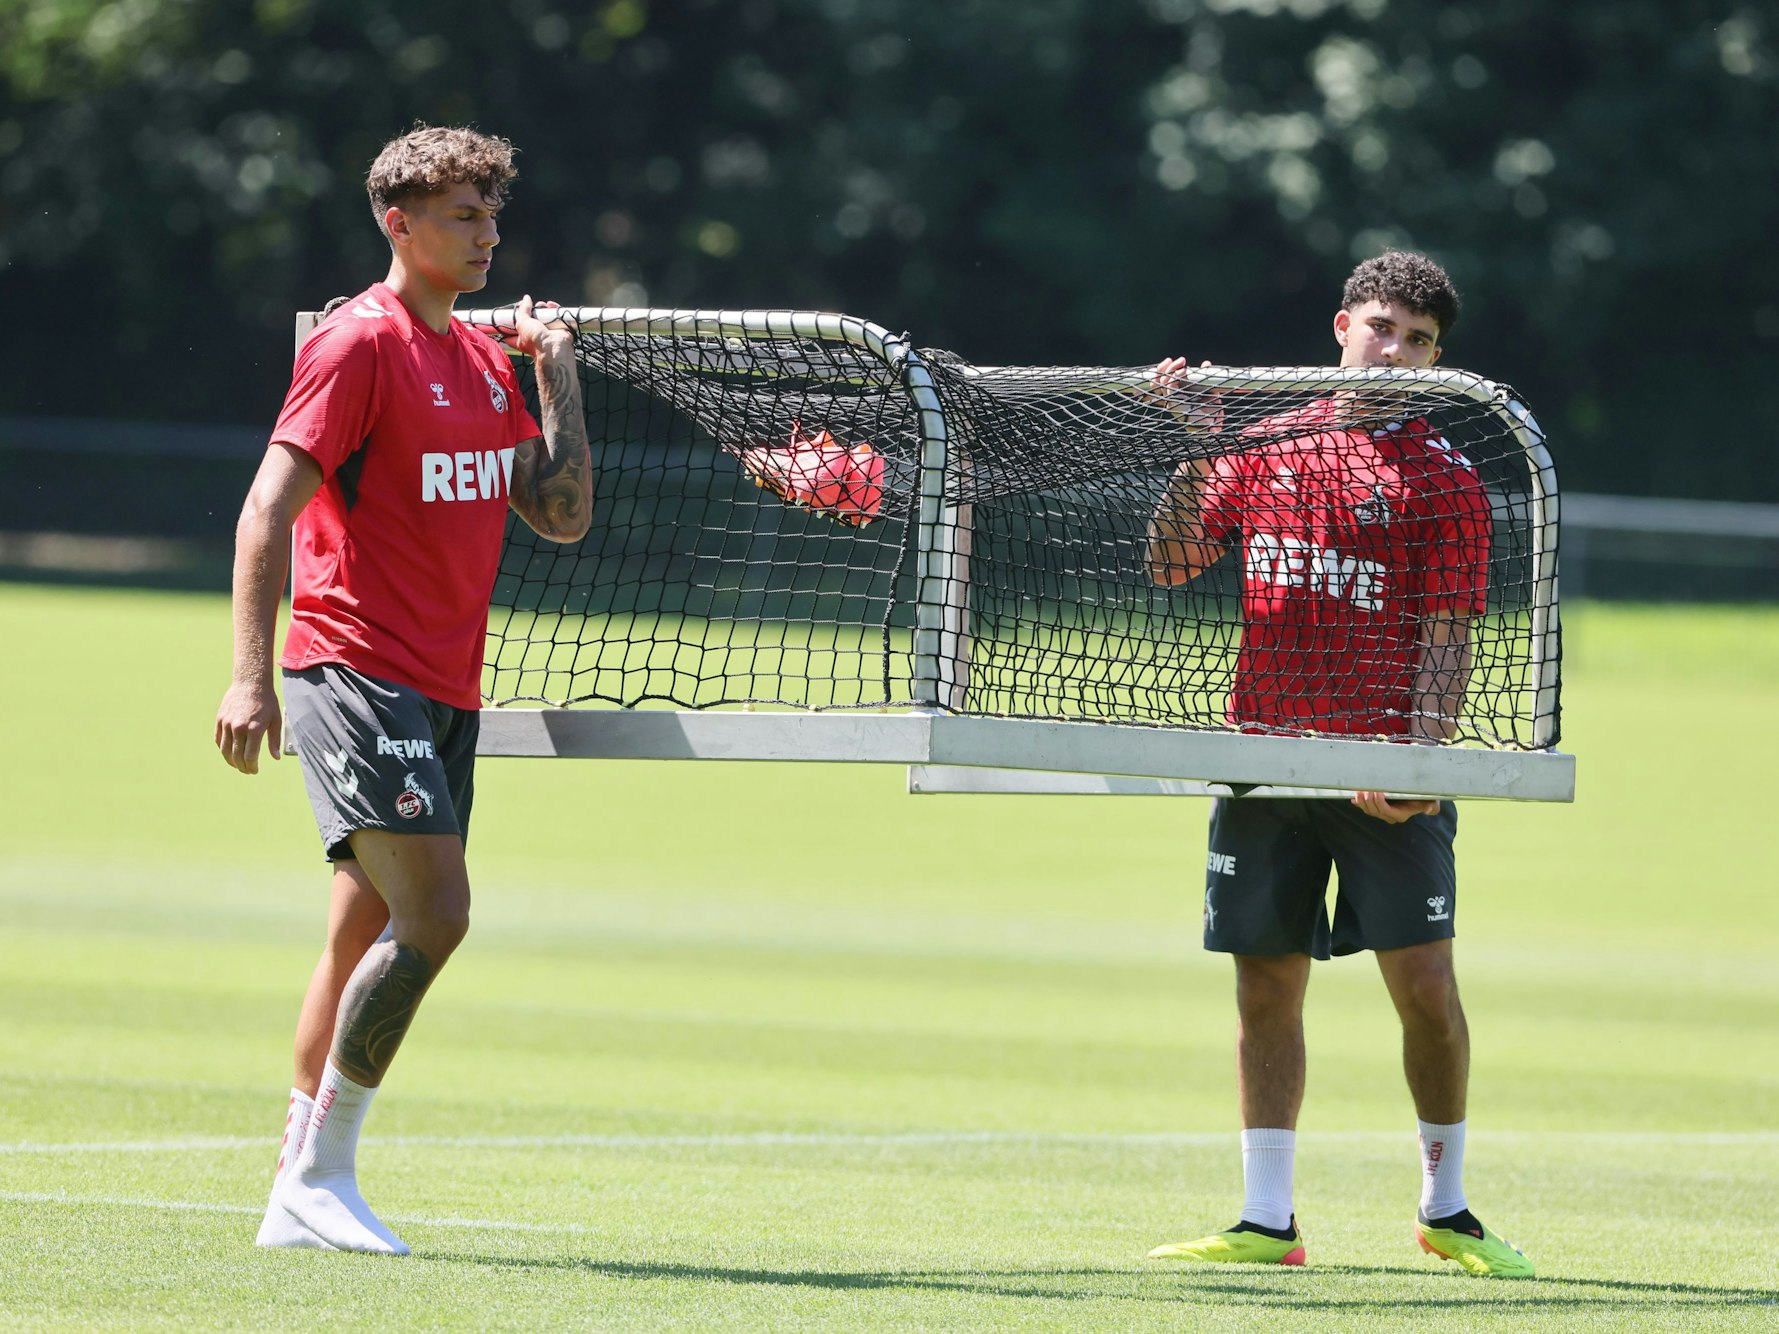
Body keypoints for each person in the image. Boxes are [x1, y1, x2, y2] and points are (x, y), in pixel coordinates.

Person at [213, 125, 591, 1255]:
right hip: (351, 667)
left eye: (491, 215)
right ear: (399, 222)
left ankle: (296, 1177)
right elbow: (265, 508)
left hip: (441, 686)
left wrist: (554, 370)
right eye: (461, 215)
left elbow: (563, 515)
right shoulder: (356, 344)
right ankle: (322, 1174)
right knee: (441, 912)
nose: (485, 235)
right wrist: (249, 672)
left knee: (366, 924)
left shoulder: (481, 361)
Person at [1141, 251, 1532, 1277]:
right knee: (1264, 990)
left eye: (1421, 339)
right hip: (1263, 763)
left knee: (1427, 985)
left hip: (1382, 771)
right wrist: (1194, 448)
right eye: (1384, 326)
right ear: (1342, 324)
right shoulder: (1266, 441)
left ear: (1437, 357)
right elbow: (1172, 561)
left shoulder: (1445, 477)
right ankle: (1268, 1220)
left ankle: (1445, 1208)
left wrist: (1420, 757)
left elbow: (1451, 635)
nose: (1397, 349)